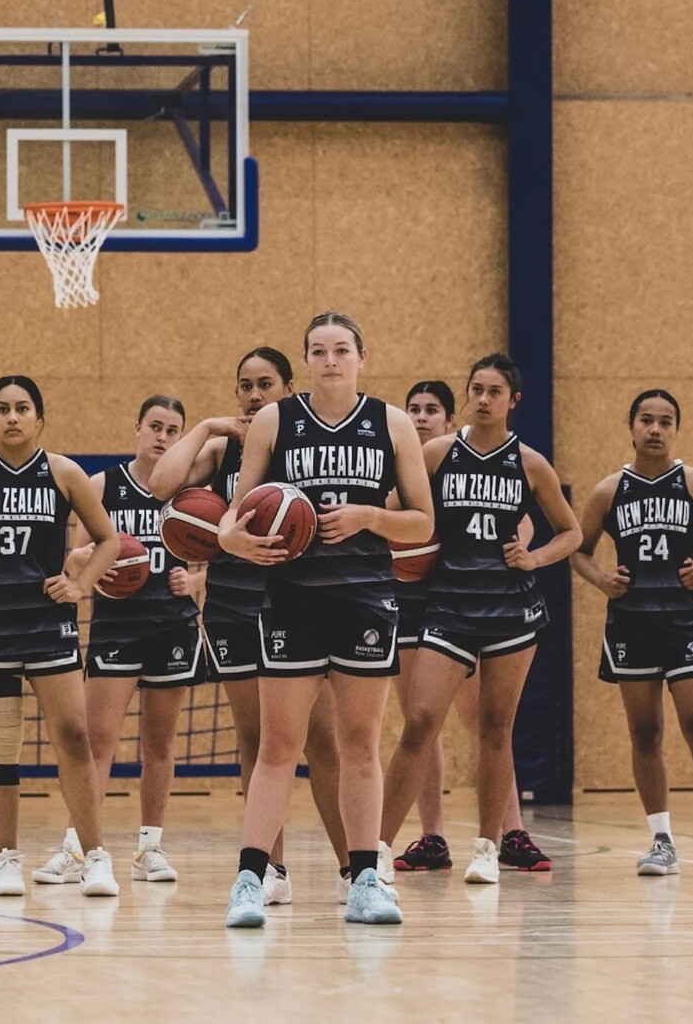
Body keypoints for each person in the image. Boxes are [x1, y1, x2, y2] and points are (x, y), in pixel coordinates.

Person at [218, 312, 434, 927]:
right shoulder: (274, 420)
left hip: (366, 597)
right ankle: (250, 882)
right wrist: (239, 545)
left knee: (359, 744)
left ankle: (365, 878)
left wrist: (371, 517)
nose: (331, 360)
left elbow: (423, 522)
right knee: (277, 745)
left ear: (363, 356)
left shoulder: (391, 423)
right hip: (291, 597)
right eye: (319, 351)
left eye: (342, 349)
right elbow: (232, 523)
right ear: (305, 361)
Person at [150, 347, 350, 906]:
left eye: (265, 384)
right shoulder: (221, 448)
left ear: (289, 388)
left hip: (298, 599)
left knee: (324, 740)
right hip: (234, 603)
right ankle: (273, 871)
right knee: (257, 740)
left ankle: (350, 868)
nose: (253, 395)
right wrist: (211, 426)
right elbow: (160, 484)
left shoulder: (307, 440)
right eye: (244, 386)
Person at [379, 354, 580, 885]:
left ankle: (488, 849)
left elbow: (571, 531)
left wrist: (534, 558)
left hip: (511, 608)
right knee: (420, 722)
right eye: (476, 389)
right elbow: (397, 510)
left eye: (495, 391)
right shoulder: (438, 452)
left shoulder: (530, 463)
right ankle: (374, 853)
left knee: (496, 729)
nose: (483, 398)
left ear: (513, 400)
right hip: (448, 605)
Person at [0, 376, 120, 896]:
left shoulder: (64, 472)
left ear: (40, 419)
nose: (12, 417)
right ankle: (6, 858)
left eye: (23, 408)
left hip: (47, 624)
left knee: (75, 737)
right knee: (2, 743)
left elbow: (108, 540)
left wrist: (79, 584)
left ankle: (95, 855)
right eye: (3, 409)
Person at [33, 395, 235, 886]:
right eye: (155, 427)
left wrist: (198, 582)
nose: (163, 437)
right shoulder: (104, 485)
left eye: (173, 429)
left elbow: (226, 550)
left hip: (174, 624)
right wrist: (102, 572)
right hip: (117, 624)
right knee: (97, 741)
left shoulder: (190, 489)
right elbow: (77, 556)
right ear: (137, 428)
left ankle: (150, 849)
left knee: (160, 743)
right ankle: (78, 848)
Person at [571, 389, 693, 877]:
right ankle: (661, 840)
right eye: (647, 420)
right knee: (646, 731)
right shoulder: (609, 491)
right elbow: (578, 549)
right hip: (632, 621)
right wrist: (602, 581)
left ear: (676, 429)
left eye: (666, 421)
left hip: (684, 618)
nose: (655, 429)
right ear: (631, 426)